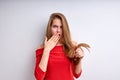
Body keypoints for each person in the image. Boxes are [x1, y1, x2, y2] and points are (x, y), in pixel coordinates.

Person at [34, 12, 90, 80]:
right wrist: (46, 50)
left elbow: (77, 74)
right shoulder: (41, 48)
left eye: (61, 27)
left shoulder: (72, 45)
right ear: (50, 28)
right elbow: (39, 77)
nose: (58, 30)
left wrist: (80, 58)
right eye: (55, 26)